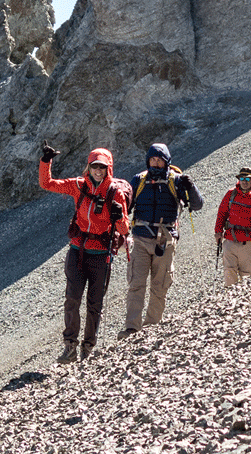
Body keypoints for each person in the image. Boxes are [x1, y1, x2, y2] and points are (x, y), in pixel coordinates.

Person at [39, 141, 131, 364]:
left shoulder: (115, 194)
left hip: (101, 255)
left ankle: (87, 348)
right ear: (88, 167)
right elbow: (47, 183)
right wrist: (46, 161)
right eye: (94, 167)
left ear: (109, 169)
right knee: (72, 298)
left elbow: (125, 229)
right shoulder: (78, 185)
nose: (98, 171)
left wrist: (118, 216)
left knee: (94, 304)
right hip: (77, 251)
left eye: (102, 168)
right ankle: (70, 347)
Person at [120, 143, 204, 338]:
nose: (155, 164)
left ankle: (151, 328)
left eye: (159, 160)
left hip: (165, 240)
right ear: (148, 161)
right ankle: (131, 328)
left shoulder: (177, 181)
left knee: (160, 285)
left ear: (167, 162)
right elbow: (125, 207)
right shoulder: (138, 180)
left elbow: (197, 205)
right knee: (136, 284)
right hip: (140, 239)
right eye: (152, 160)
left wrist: (190, 186)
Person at [214, 166, 251, 287]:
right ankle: (229, 301)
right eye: (242, 178)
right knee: (229, 273)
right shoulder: (231, 194)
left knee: (248, 276)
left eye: (247, 179)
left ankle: (247, 303)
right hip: (230, 240)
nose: (244, 182)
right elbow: (221, 214)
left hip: (249, 242)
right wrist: (218, 232)